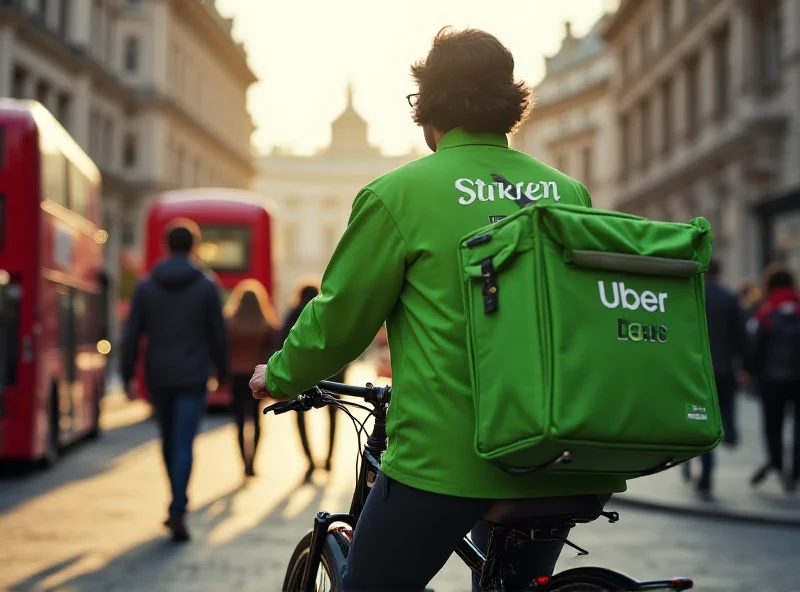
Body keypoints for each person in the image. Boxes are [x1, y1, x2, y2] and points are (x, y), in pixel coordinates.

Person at [250, 27, 623, 591]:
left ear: (428, 111)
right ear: (511, 107)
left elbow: (340, 320)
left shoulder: (397, 195)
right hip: (553, 451)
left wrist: (278, 375)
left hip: (446, 458)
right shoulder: (566, 192)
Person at [122, 220, 228, 542]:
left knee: (168, 441)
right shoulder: (207, 285)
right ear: (194, 246)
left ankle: (175, 501)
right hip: (193, 374)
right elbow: (217, 334)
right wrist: (221, 373)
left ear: (166, 245)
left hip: (159, 374)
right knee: (185, 442)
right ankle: (179, 506)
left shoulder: (146, 286)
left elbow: (131, 334)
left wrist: (127, 375)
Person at [683, 259, 745, 499]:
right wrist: (744, 365)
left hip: (699, 370)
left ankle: (705, 475)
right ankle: (729, 430)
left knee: (702, 419)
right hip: (726, 367)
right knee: (727, 405)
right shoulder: (730, 299)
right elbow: (740, 336)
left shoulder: (692, 297)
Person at [283, 279, 347, 482]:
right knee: (333, 417)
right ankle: (329, 459)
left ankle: (309, 461)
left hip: (302, 376)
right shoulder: (329, 314)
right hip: (333, 376)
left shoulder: (294, 314)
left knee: (301, 417)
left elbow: (283, 344)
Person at [747, 264, 800, 494]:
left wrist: (752, 372)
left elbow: (755, 348)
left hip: (771, 380)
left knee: (773, 425)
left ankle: (777, 463)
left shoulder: (765, 312)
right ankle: (795, 471)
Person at [225, 279, 281, 477]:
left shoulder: (230, 321)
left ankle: (243, 461)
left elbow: (224, 347)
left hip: (236, 374)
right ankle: (253, 461)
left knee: (240, 420)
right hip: (256, 374)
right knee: (256, 420)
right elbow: (275, 346)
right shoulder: (266, 323)